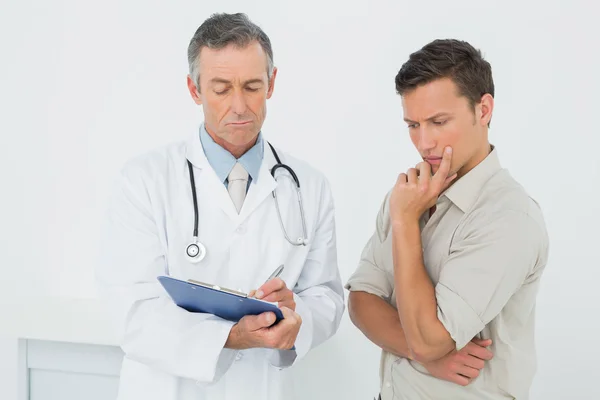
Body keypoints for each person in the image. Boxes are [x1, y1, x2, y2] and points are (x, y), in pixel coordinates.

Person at [96, 12, 344, 400]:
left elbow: (326, 298)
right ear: (195, 90)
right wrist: (230, 337)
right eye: (221, 88)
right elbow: (132, 310)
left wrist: (297, 318)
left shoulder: (308, 186)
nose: (239, 106)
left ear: (272, 83)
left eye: (251, 86)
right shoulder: (143, 180)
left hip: (263, 388)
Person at [345, 39, 549, 399]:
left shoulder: (508, 218)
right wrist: (419, 353)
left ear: (483, 110)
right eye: (413, 125)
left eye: (439, 122)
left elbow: (430, 340)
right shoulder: (408, 196)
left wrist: (405, 224)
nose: (424, 143)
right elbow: (362, 300)